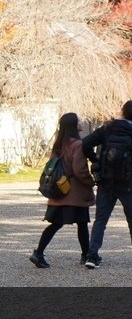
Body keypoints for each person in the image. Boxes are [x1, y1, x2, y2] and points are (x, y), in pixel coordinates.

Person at [81, 99, 132, 268]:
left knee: (101, 219)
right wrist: (128, 164)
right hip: (126, 181)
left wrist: (97, 160)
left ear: (121, 111)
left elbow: (85, 144)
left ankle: (92, 256)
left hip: (106, 179)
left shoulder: (108, 128)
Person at [30, 112, 95, 268]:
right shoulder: (77, 145)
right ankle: (85, 255)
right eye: (79, 121)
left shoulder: (59, 144)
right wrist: (90, 181)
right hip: (74, 192)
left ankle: (39, 253)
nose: (81, 122)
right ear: (73, 125)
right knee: (81, 223)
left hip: (59, 188)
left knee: (58, 224)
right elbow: (79, 169)